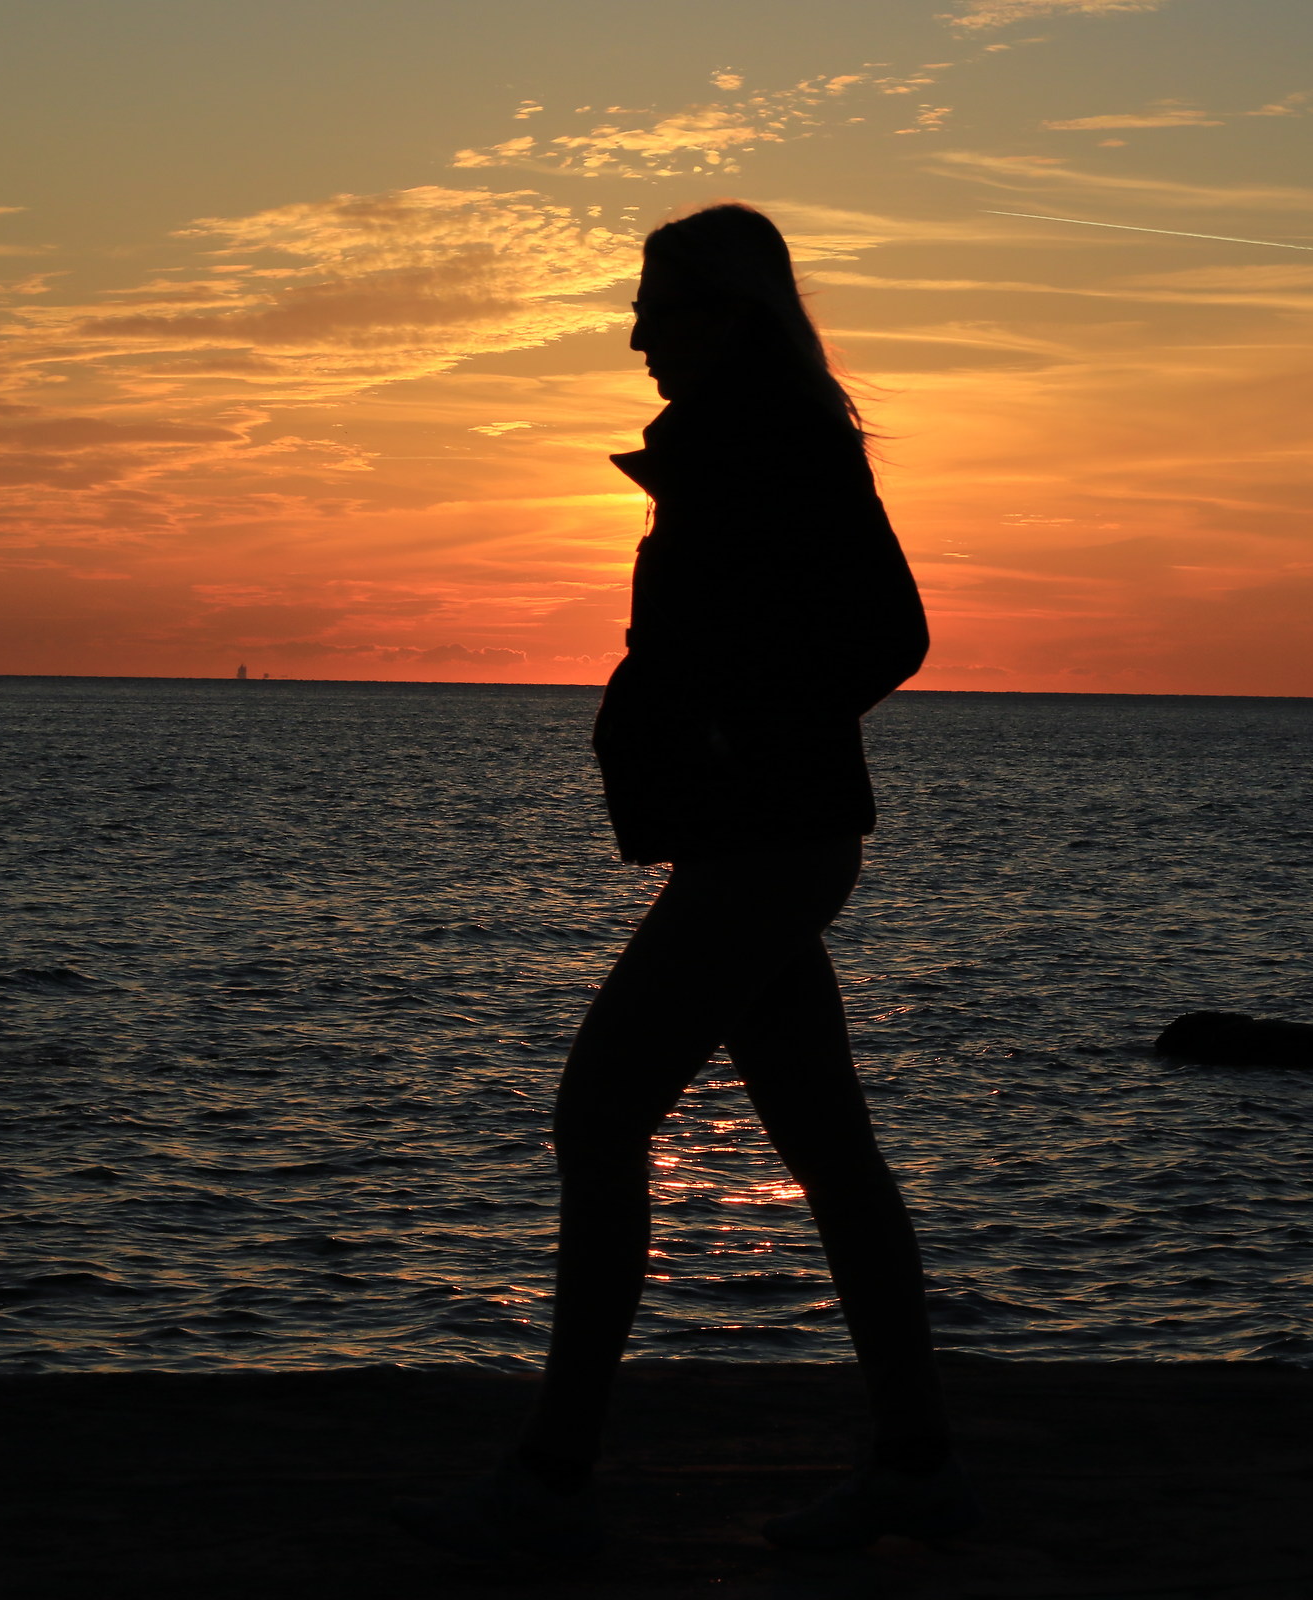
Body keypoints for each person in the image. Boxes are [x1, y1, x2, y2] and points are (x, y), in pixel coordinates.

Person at [392, 202, 974, 1560]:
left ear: (729, 310)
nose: (636, 332)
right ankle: (918, 1463)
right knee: (829, 1151)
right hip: (755, 842)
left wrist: (740, 727)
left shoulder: (767, 448)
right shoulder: (743, 446)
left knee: (599, 1117)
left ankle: (552, 1478)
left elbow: (892, 633)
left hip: (769, 845)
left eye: (660, 305)